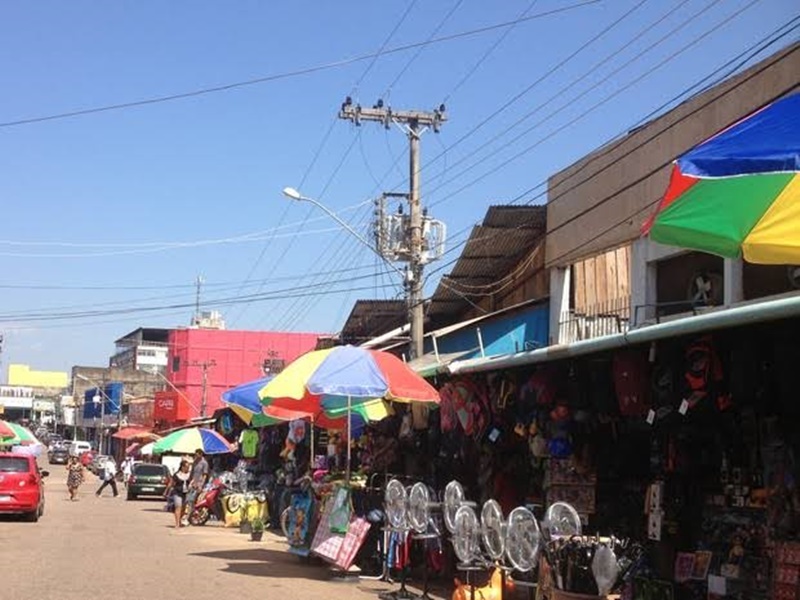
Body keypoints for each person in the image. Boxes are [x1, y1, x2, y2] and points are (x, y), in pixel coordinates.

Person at [165, 458, 192, 528]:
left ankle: (180, 520)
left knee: (183, 508)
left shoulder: (189, 475)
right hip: (177, 493)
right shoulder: (176, 475)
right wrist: (166, 491)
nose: (188, 468)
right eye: (187, 467)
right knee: (178, 507)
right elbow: (171, 483)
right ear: (182, 467)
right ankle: (177, 523)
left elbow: (192, 482)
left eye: (188, 467)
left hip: (186, 493)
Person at [186, 449, 209, 519]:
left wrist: (201, 485)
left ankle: (193, 515)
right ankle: (189, 514)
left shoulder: (204, 463)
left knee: (194, 500)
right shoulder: (195, 462)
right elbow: (192, 472)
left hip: (199, 484)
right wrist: (189, 480)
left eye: (197, 454)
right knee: (189, 500)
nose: (196, 455)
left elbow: (205, 475)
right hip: (192, 483)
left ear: (201, 454)